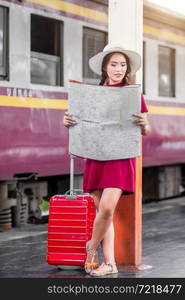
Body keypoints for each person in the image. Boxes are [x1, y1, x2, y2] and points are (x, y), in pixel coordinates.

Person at [63, 44, 151, 276]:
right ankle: (109, 263)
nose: (119, 69)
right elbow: (78, 122)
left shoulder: (133, 93)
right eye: (114, 64)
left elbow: (146, 129)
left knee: (108, 207)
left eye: (123, 65)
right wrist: (69, 122)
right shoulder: (92, 94)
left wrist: (144, 125)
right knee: (104, 213)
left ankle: (91, 247)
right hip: (95, 156)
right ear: (105, 67)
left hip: (121, 158)